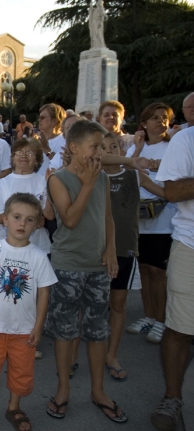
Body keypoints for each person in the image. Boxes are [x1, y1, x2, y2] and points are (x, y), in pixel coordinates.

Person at [45, 120, 127, 423]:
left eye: (103, 147)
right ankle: (63, 389)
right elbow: (69, 220)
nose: (100, 153)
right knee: (66, 332)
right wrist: (89, 183)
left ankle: (98, 391)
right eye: (95, 147)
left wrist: (110, 249)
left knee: (96, 330)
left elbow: (108, 217)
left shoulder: (102, 178)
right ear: (74, 148)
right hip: (68, 266)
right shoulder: (59, 179)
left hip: (98, 266)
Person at [0, 193, 57, 431]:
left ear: (37, 224)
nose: (22, 223)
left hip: (24, 330)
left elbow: (44, 293)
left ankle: (14, 407)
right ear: (4, 219)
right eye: (17, 217)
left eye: (30, 219)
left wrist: (38, 326)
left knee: (21, 372)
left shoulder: (40, 257)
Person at [102, 132, 165, 382]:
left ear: (122, 149)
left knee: (118, 305)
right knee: (92, 307)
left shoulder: (134, 175)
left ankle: (112, 354)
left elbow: (164, 192)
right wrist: (131, 159)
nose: (109, 150)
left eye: (114, 146)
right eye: (104, 147)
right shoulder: (94, 176)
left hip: (125, 250)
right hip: (97, 252)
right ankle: (78, 355)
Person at [150, 122, 194, 430]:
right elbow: (173, 190)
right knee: (180, 328)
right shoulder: (186, 139)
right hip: (191, 245)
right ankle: (173, 396)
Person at [125, 103, 175, 344]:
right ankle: (149, 316)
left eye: (164, 118)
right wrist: (138, 151)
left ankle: (164, 321)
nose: (160, 122)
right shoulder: (138, 147)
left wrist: (153, 166)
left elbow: (178, 179)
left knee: (158, 271)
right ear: (144, 123)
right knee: (144, 269)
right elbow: (125, 172)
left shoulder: (173, 146)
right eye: (154, 118)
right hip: (139, 221)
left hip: (164, 222)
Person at [0, 138, 54, 256]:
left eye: (30, 153)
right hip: (6, 246)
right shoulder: (4, 182)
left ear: (37, 161)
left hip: (38, 246)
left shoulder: (43, 181)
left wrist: (50, 185)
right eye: (19, 152)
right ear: (13, 159)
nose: (24, 156)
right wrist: (32, 220)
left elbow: (49, 215)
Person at [37, 103, 66, 170]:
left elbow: (63, 165)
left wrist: (47, 150)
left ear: (54, 121)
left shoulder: (64, 141)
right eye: (39, 118)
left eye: (42, 118)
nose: (39, 120)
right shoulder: (37, 140)